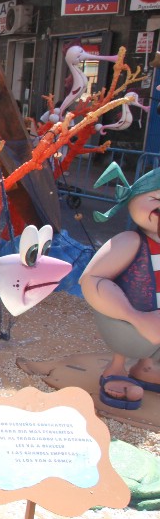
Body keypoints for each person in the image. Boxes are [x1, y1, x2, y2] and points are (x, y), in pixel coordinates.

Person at [80, 163, 160, 410]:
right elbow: (91, 280)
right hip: (126, 325)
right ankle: (116, 368)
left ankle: (147, 367)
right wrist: (135, 317)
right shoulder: (129, 241)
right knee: (128, 338)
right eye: (156, 200)